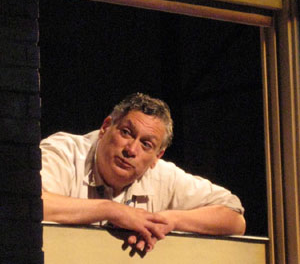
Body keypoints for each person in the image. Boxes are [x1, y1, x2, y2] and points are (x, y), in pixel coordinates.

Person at [40, 93, 245, 252]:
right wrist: (112, 210)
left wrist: (169, 220)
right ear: (105, 127)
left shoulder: (163, 175)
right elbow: (28, 205)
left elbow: (234, 218)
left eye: (146, 144)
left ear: (158, 156)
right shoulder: (64, 151)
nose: (131, 150)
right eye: (126, 133)